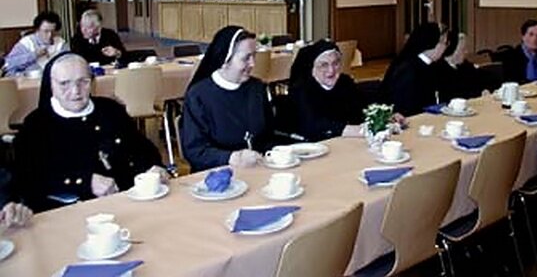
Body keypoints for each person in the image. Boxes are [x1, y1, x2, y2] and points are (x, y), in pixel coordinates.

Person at [14, 52, 164, 212]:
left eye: (83, 82)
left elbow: (143, 149)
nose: (75, 91)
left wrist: (154, 168)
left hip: (129, 200)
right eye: (64, 84)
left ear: (92, 81)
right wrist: (85, 181)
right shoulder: (36, 124)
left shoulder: (111, 110)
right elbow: (28, 179)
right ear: (51, 85)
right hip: (69, 210)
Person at [180, 26, 275, 172]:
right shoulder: (198, 96)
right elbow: (195, 151)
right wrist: (231, 158)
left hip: (260, 168)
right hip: (216, 173)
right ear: (225, 59)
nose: (253, 64)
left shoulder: (257, 88)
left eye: (254, 56)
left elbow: (269, 135)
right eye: (246, 58)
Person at [287, 39, 364, 142]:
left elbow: (358, 115)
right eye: (324, 65)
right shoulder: (301, 89)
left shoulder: (345, 83)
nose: (331, 70)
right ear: (312, 68)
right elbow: (313, 126)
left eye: (335, 63)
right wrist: (349, 130)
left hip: (348, 141)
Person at [381, 22, 449, 117]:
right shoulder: (407, 69)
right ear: (433, 44)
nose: (445, 48)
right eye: (444, 43)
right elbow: (403, 107)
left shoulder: (430, 65)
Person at [436, 32, 497, 102]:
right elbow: (454, 95)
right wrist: (479, 92)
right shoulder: (439, 69)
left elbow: (488, 77)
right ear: (453, 51)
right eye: (463, 49)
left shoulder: (464, 65)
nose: (466, 52)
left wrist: (486, 89)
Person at [3, 11, 67, 76]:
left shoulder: (60, 43)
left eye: (53, 31)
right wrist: (34, 55)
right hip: (29, 79)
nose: (50, 35)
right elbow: (8, 64)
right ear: (37, 30)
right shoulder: (27, 43)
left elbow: (68, 61)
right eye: (46, 31)